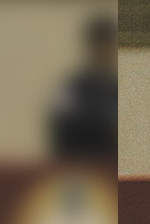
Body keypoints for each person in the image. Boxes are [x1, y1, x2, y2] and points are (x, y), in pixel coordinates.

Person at [50, 14, 117, 163]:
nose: (104, 52)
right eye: (100, 46)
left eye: (108, 47)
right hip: (77, 165)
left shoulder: (113, 88)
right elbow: (60, 131)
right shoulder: (73, 86)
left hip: (106, 164)